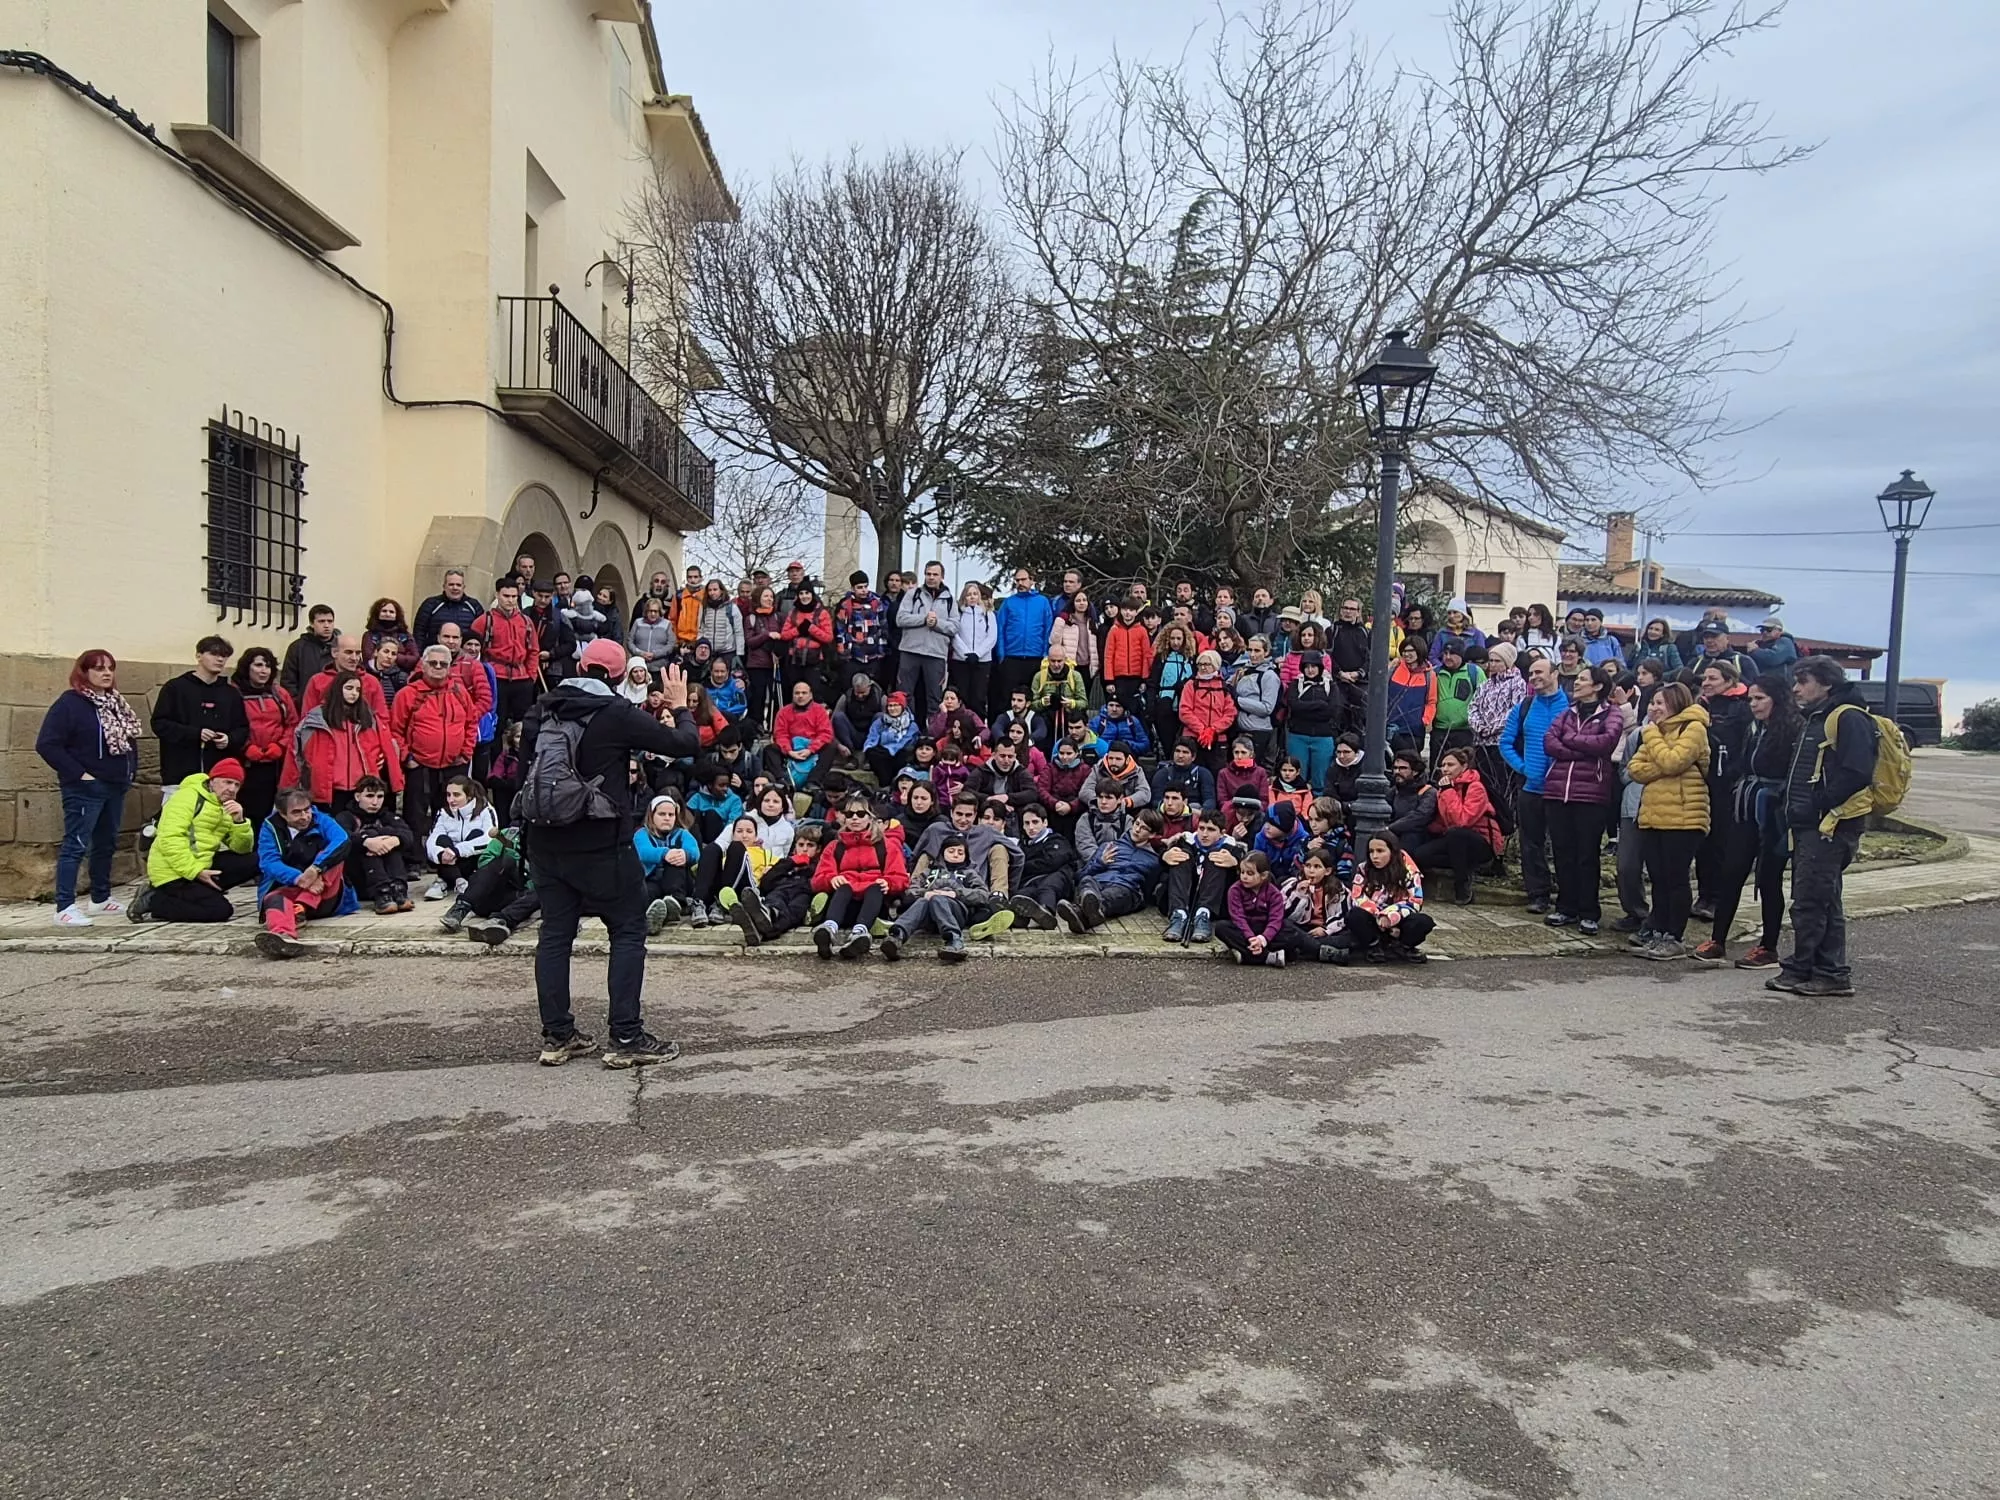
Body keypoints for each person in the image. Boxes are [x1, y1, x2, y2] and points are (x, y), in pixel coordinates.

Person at [518, 638, 700, 1067]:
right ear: (618, 676)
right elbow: (684, 744)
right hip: (601, 843)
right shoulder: (617, 713)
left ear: (580, 665)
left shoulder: (541, 709)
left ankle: (558, 1036)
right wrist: (680, 705)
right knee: (628, 929)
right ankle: (626, 1036)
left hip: (545, 841)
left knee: (555, 935)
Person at [1770, 656, 1881, 997]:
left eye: (1803, 682)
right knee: (1824, 898)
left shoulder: (1847, 717)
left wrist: (1818, 803)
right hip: (1812, 823)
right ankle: (1826, 969)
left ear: (1826, 683)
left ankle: (1813, 969)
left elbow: (1857, 771)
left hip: (1831, 825)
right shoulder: (1819, 717)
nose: (1796, 689)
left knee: (1811, 899)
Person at [1692, 673, 1799, 968]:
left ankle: (1768, 947)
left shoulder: (1793, 729)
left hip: (1774, 811)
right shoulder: (1753, 727)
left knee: (1768, 879)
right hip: (1745, 805)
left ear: (1776, 699)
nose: (1753, 704)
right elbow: (1742, 760)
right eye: (1751, 698)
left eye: (1759, 698)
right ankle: (1718, 940)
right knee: (1731, 871)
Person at [36, 649, 142, 925]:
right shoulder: (70, 704)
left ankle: (100, 897)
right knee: (76, 844)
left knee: (106, 843)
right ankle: (64, 906)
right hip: (85, 788)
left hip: (115, 784)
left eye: (110, 668)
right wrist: (80, 774)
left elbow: (129, 741)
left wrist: (131, 771)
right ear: (84, 672)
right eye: (98, 668)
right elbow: (47, 744)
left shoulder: (115, 703)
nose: (106, 673)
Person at [1626, 682, 1712, 961]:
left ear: (1676, 703)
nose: (1654, 708)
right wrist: (1662, 763)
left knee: (1676, 879)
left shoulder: (1693, 728)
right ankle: (1657, 929)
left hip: (1685, 816)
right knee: (1658, 878)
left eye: (1660, 703)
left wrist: (1652, 736)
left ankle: (1674, 936)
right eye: (1652, 703)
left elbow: (1675, 761)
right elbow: (1635, 769)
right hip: (1653, 815)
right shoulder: (1658, 732)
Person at [1540, 662, 1622, 933]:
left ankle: (1589, 911)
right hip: (1558, 792)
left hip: (1591, 795)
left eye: (1583, 679)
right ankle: (1566, 907)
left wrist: (1570, 741)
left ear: (1598, 686)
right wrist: (1581, 749)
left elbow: (1605, 744)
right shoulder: (1566, 714)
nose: (1576, 683)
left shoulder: (1612, 713)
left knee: (1587, 855)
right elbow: (1550, 742)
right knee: (1563, 854)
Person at [129, 759, 258, 924]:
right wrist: (195, 871)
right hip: (173, 872)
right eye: (227, 782)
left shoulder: (226, 806)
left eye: (236, 785)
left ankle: (201, 894)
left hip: (202, 864)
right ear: (212, 780)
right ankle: (154, 900)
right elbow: (170, 839)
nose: (231, 789)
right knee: (220, 911)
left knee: (257, 860)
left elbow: (242, 849)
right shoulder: (187, 797)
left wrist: (239, 822)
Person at [1499, 655, 1570, 914]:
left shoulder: (1571, 705)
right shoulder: (1525, 706)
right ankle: (1538, 894)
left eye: (1540, 672)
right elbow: (1505, 742)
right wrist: (1523, 768)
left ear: (1555, 674)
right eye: (1531, 673)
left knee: (1564, 845)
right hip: (1530, 787)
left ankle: (1567, 895)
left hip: (1563, 789)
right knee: (1532, 843)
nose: (1535, 677)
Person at [881, 831, 1009, 963]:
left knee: (938, 899)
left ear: (966, 856)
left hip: (955, 912)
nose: (955, 855)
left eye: (960, 853)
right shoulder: (928, 873)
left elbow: (982, 895)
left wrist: (956, 894)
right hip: (928, 915)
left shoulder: (969, 873)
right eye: (951, 851)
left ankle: (954, 940)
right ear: (942, 853)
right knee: (924, 901)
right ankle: (897, 936)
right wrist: (925, 893)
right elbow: (909, 892)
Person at [391, 645, 478, 836]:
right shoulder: (408, 694)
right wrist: (408, 758)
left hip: (454, 765)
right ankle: (415, 859)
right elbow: (395, 730)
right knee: (415, 815)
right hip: (420, 765)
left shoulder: (460, 693)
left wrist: (465, 753)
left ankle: (446, 858)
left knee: (451, 814)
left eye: (443, 664)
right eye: (433, 663)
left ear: (449, 667)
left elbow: (471, 723)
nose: (438, 667)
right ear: (423, 665)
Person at [1692, 657, 1754, 922]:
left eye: (1712, 679)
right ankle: (1703, 895)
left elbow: (1746, 747)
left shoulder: (1742, 709)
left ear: (1730, 681)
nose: (1706, 683)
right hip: (1702, 783)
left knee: (1721, 844)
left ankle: (1717, 899)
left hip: (1728, 787)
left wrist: (1732, 775)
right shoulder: (1701, 706)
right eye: (1704, 679)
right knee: (1702, 843)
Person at [809, 796, 910, 959]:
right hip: (845, 905)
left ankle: (860, 933)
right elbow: (817, 880)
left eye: (861, 814)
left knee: (875, 888)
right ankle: (828, 930)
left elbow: (901, 878)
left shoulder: (887, 845)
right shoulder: (835, 847)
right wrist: (831, 879)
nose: (854, 818)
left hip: (874, 905)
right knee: (844, 887)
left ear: (870, 817)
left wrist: (888, 882)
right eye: (849, 814)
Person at [152, 635, 249, 785]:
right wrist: (195, 734)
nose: (220, 660)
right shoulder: (175, 688)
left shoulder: (231, 693)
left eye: (224, 656)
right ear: (199, 656)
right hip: (180, 773)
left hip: (219, 776)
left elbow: (242, 728)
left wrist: (229, 739)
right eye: (214, 654)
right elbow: (160, 724)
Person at [1413, 747, 1503, 904]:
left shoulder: (1475, 787)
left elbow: (1463, 821)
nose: (1445, 769)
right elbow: (1444, 821)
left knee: (1457, 833)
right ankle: (1461, 865)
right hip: (1455, 840)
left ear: (1464, 766)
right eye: (1443, 765)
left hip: (1481, 842)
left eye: (1450, 765)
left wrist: (1448, 791)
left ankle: (1462, 885)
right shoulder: (1446, 787)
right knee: (1421, 854)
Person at [1056, 808, 1165, 934]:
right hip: (1099, 883)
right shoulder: (1109, 846)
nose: (1137, 829)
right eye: (1137, 823)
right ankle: (1085, 917)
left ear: (1152, 834)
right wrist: (1100, 863)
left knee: (1114, 893)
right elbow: (1081, 876)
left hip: (1126, 888)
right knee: (1088, 882)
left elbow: (1148, 891)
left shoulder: (1154, 860)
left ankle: (1082, 910)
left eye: (1144, 828)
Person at [725, 820, 827, 947]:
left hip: (803, 893)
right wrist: (790, 862)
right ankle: (768, 914)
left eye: (810, 845)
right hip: (779, 890)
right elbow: (766, 883)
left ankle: (760, 928)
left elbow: (818, 881)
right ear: (795, 847)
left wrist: (807, 866)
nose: (804, 849)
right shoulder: (785, 863)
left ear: (818, 849)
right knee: (775, 901)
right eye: (801, 845)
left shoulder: (820, 865)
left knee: (793, 911)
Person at [227, 647, 296, 830]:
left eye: (268, 666)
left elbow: (292, 724)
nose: (264, 670)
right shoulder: (233, 693)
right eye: (258, 665)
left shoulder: (280, 694)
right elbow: (229, 725)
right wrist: (246, 747)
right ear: (246, 667)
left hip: (275, 763)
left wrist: (280, 747)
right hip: (244, 762)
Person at [1159, 807, 1244, 944]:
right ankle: (1179, 915)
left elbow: (1249, 869)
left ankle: (1203, 915)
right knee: (1181, 856)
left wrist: (1236, 863)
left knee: (1217, 858)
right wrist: (1164, 856)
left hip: (1216, 902)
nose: (1204, 834)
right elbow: (1163, 859)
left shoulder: (1232, 848)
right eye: (1201, 828)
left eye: (1210, 830)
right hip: (1186, 895)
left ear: (1222, 833)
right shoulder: (1186, 841)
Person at [338, 775, 420, 913]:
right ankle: (382, 893)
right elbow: (341, 837)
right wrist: (366, 841)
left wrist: (392, 841)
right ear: (358, 797)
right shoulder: (345, 816)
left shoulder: (387, 816)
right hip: (359, 877)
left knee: (390, 839)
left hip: (389, 872)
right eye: (369, 796)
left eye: (380, 797)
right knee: (371, 836)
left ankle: (398, 890)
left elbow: (408, 835)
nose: (375, 802)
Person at [1346, 831, 1433, 961]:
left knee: (1423, 921)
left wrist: (1391, 916)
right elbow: (1357, 897)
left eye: (1380, 851)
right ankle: (1374, 946)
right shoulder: (1363, 869)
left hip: (1399, 920)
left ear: (1392, 851)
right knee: (1354, 915)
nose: (1374, 856)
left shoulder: (1409, 871)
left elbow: (1415, 901)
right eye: (1371, 851)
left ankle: (1404, 947)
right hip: (1374, 920)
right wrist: (1379, 916)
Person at [448, 823, 538, 941]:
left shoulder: (554, 845)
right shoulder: (508, 835)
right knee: (507, 861)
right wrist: (511, 864)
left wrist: (526, 873)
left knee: (546, 890)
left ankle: (499, 922)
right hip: (487, 896)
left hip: (516, 900)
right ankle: (461, 908)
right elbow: (484, 863)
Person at [895, 561, 959, 724]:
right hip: (910, 651)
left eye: (935, 574)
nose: (931, 577)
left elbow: (955, 627)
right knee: (904, 695)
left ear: (942, 576)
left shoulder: (949, 599)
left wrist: (937, 623)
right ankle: (905, 730)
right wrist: (923, 619)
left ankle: (933, 735)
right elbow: (900, 619)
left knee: (934, 698)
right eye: (928, 574)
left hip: (935, 654)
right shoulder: (912, 594)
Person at [993, 567, 1057, 718]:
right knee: (1007, 699)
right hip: (1011, 658)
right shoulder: (1009, 603)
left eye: (1023, 579)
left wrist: (1044, 655)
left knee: (1033, 699)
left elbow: (1048, 629)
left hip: (1035, 658)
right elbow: (1000, 629)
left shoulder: (1042, 602)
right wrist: (1002, 655)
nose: (1020, 583)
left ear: (1032, 580)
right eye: (1017, 580)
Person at [476, 580, 540, 729]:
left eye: (514, 596)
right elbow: (473, 648)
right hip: (495, 676)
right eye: (506, 596)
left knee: (523, 724)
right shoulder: (485, 620)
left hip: (522, 677)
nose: (510, 600)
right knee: (496, 721)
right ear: (497, 595)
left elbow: (533, 649)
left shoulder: (526, 621)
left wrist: (531, 676)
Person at [1006, 803, 1078, 929]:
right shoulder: (1022, 845)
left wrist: (1024, 865)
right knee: (1023, 894)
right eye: (1027, 823)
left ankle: (1047, 912)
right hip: (1032, 882)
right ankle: (1019, 916)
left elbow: (1052, 862)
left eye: (1035, 822)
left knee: (1047, 886)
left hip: (1058, 880)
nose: (1031, 827)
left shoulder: (1057, 840)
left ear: (1044, 822)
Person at [423, 774, 495, 899]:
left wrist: (457, 851)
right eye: (448, 795)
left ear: (469, 796)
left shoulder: (485, 810)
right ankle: (458, 881)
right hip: (449, 860)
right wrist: (440, 854)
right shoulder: (443, 813)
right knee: (441, 839)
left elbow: (489, 839)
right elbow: (432, 839)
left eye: (456, 795)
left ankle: (445, 880)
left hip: (470, 860)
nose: (451, 800)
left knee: (476, 835)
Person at [764, 679, 836, 791]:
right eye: (797, 693)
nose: (800, 696)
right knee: (770, 750)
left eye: (804, 693)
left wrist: (810, 750)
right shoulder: (783, 712)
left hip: (812, 748)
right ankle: (782, 781)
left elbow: (825, 734)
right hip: (791, 749)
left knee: (830, 748)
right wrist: (789, 751)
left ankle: (813, 782)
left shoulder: (820, 710)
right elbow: (780, 734)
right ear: (792, 695)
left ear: (810, 695)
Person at [778, 582, 837, 703]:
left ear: (812, 594)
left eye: (807, 593)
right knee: (794, 692)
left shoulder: (822, 613)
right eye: (801, 593)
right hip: (795, 659)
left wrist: (811, 628)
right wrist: (798, 630)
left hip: (814, 660)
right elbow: (784, 635)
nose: (804, 596)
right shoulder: (793, 613)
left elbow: (828, 637)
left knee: (814, 692)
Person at [949, 580, 996, 721]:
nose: (972, 597)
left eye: (975, 594)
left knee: (978, 697)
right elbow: (954, 635)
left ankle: (979, 728)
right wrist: (966, 654)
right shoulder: (958, 613)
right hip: (961, 661)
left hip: (982, 662)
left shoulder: (988, 615)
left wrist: (978, 654)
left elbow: (992, 637)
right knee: (962, 695)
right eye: (969, 594)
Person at [1385, 638, 1438, 754]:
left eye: (1410, 651)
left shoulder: (1429, 675)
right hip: (1390, 726)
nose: (1406, 654)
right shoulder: (1395, 668)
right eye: (1404, 651)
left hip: (1414, 730)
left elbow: (1431, 701)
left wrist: (1425, 721)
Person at [1103, 596, 1154, 712]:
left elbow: (1146, 656)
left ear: (1136, 612)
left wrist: (1144, 679)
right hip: (1119, 677)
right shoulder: (1114, 630)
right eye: (1125, 609)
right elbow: (1108, 656)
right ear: (1121, 610)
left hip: (1136, 677)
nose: (1127, 613)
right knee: (1119, 708)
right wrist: (1109, 680)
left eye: (1131, 610)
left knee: (1135, 708)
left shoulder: (1142, 631)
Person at [280, 605, 339, 703]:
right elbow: (288, 682)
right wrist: (297, 703)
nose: (326, 625)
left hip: (336, 706)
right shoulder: (297, 648)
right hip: (306, 706)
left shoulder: (342, 646)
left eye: (330, 621)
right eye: (321, 621)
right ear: (312, 623)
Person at [1030, 643, 1088, 741]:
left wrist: (1072, 703)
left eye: (1059, 661)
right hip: (1046, 718)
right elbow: (1031, 705)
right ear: (1047, 660)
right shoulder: (1039, 677)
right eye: (1053, 661)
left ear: (1065, 659)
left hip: (1069, 717)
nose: (1056, 664)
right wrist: (1042, 702)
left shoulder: (1075, 676)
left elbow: (1084, 703)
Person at [415, 569, 485, 648]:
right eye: (451, 584)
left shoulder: (474, 606)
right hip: (435, 654)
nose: (455, 588)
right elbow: (419, 632)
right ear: (444, 586)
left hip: (464, 655)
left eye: (458, 585)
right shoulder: (430, 604)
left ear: (463, 587)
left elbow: (481, 634)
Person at [863, 691, 922, 784]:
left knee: (901, 755)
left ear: (903, 707)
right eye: (890, 706)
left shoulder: (911, 724)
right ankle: (885, 783)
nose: (892, 708)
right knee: (873, 753)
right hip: (882, 751)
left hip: (900, 751)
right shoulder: (880, 721)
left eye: (896, 705)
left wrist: (890, 750)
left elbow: (904, 742)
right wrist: (869, 747)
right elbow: (872, 736)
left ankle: (887, 783)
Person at [1383, 751, 1439, 846]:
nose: (1397, 772)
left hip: (1418, 838)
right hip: (1393, 833)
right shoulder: (1394, 790)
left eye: (1403, 768)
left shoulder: (1428, 791)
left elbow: (1420, 816)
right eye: (1395, 768)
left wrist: (1390, 828)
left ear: (1415, 771)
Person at [1049, 590, 1099, 687]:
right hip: (1070, 665)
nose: (1081, 603)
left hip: (1088, 667)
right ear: (1073, 603)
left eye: (1084, 600)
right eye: (1078, 600)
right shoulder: (1065, 621)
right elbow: (1053, 642)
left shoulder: (1092, 622)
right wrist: (1060, 622)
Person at [697, 578, 745, 665]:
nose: (712, 593)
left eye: (715, 589)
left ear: (721, 591)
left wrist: (740, 653)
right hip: (709, 652)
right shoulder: (703, 608)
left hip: (727, 652)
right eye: (709, 590)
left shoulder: (732, 608)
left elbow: (739, 632)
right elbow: (700, 629)